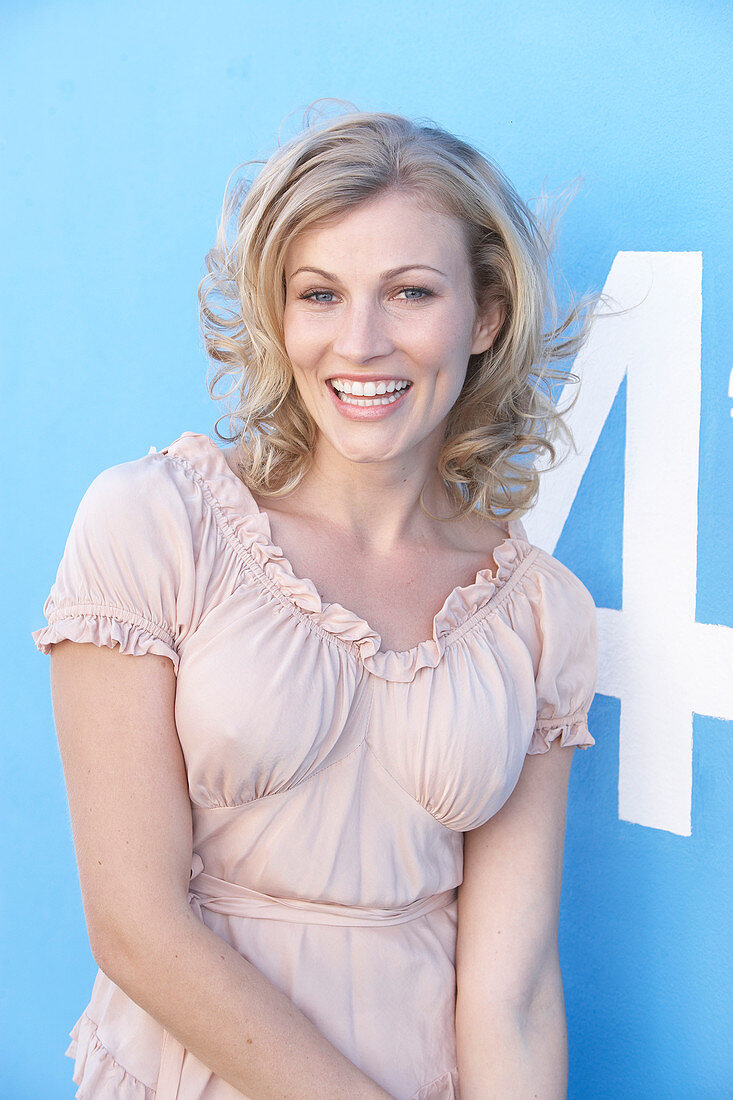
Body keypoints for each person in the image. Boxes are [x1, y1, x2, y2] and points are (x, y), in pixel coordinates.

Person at [33, 105, 598, 1100]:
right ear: (278, 313)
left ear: (488, 316)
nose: (361, 342)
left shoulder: (539, 611)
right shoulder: (155, 523)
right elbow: (134, 923)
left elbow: (511, 990)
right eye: (320, 294)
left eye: (410, 292)